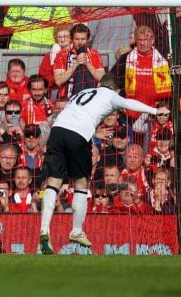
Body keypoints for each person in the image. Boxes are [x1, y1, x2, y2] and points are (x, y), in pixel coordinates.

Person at [38, 72, 170, 254]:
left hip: (57, 132)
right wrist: (155, 111)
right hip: (77, 137)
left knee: (53, 182)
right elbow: (129, 103)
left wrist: (93, 132)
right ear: (116, 89)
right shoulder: (110, 95)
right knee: (81, 184)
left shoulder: (82, 93)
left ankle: (44, 229)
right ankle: (76, 231)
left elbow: (76, 117)